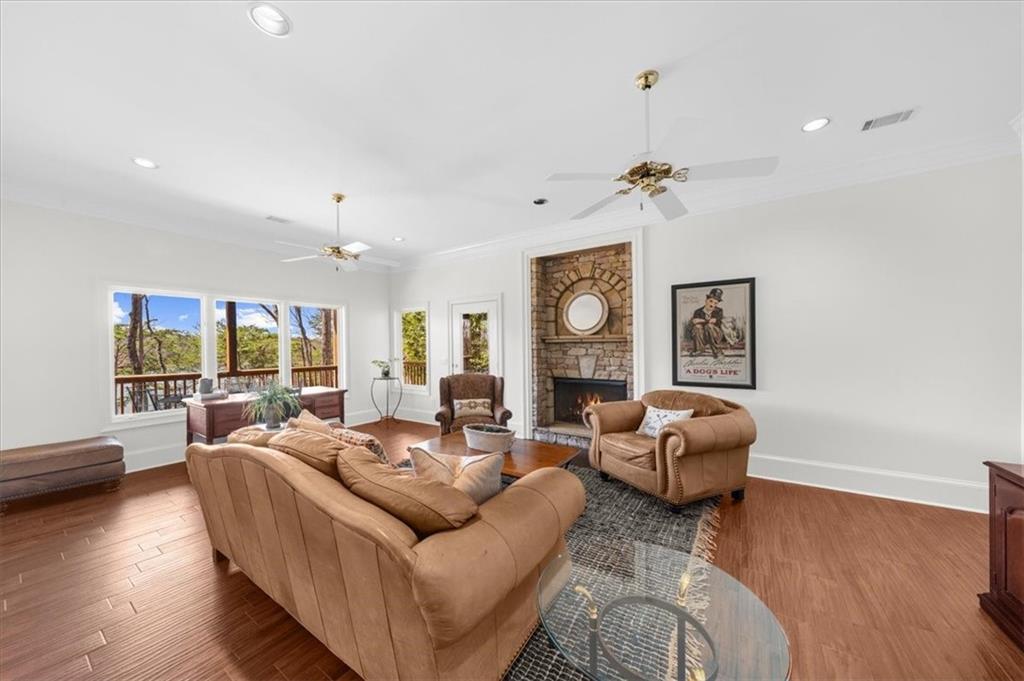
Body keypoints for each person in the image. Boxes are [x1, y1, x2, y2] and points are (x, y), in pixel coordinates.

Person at [689, 288, 726, 358]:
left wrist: (702, 320)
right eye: (711, 301)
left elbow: (714, 321)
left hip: (716, 335)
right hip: (702, 337)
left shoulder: (719, 311)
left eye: (715, 303)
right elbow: (694, 321)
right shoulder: (698, 311)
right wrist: (706, 321)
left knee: (709, 326)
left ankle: (717, 351)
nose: (712, 304)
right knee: (697, 327)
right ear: (706, 301)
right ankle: (699, 350)